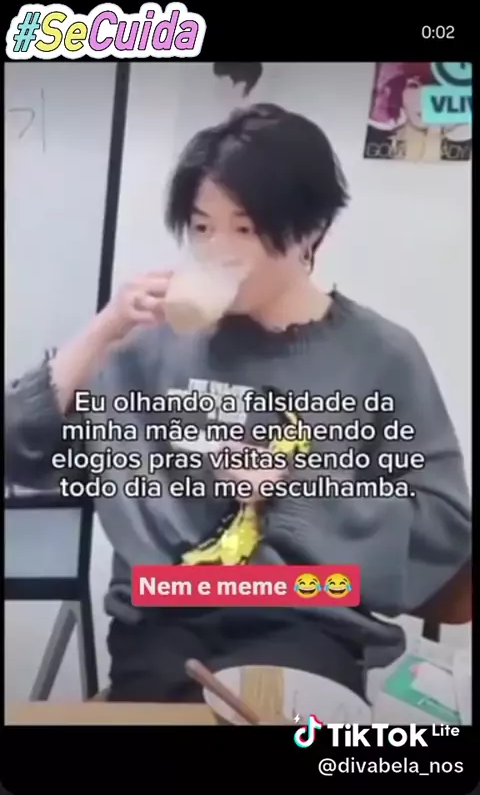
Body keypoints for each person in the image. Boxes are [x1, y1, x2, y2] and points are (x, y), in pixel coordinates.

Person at [5, 103, 471, 704]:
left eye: (244, 229)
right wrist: (103, 330)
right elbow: (18, 448)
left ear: (311, 230)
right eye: (202, 228)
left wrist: (293, 486)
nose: (217, 250)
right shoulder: (148, 348)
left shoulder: (381, 356)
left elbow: (445, 527)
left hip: (309, 616)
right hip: (165, 619)